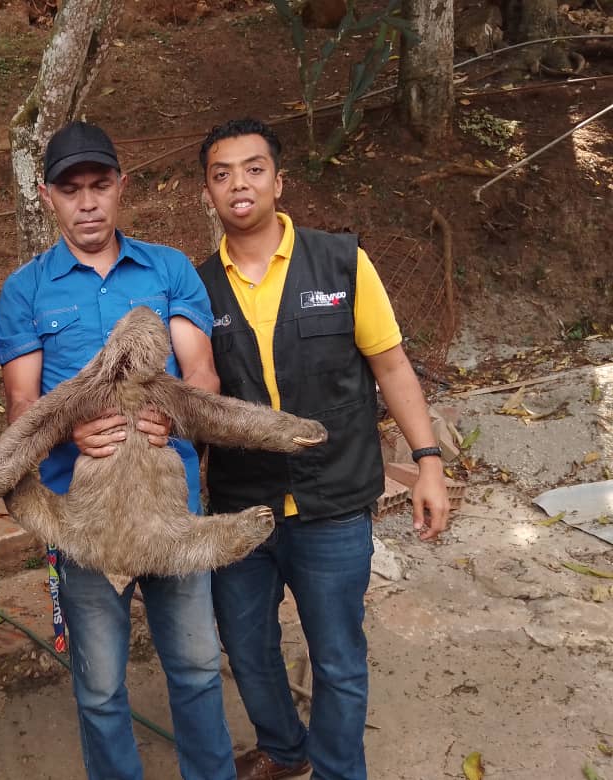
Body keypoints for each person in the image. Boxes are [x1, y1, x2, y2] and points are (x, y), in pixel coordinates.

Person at [197, 118, 451, 780]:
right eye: (221, 175)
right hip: (241, 506)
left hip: (334, 499)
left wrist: (428, 465)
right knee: (247, 645)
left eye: (253, 169)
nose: (238, 184)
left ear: (279, 182)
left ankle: (340, 770)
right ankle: (285, 750)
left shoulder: (340, 261)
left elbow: (392, 367)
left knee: (338, 655)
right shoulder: (195, 289)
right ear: (208, 195)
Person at [0, 120, 238, 780]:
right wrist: (68, 428)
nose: (88, 202)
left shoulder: (168, 269)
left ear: (122, 187)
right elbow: (22, 406)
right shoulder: (25, 290)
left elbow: (202, 372)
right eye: (71, 189)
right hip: (86, 525)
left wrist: (176, 415)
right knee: (100, 689)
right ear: (47, 196)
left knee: (193, 668)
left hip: (172, 509)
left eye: (100, 185)